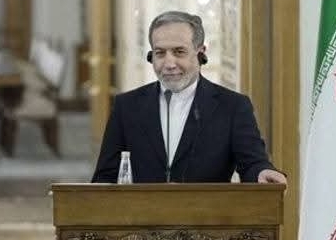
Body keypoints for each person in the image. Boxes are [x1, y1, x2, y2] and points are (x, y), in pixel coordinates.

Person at [91, 11, 286, 185]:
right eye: (160, 53)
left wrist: (262, 172)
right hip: (140, 214)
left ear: (201, 53)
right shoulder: (127, 106)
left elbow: (252, 164)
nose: (169, 64)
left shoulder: (233, 106)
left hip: (207, 214)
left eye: (179, 52)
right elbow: (105, 176)